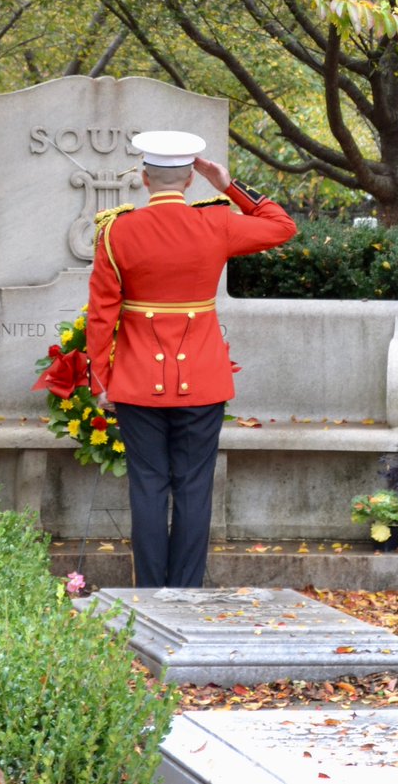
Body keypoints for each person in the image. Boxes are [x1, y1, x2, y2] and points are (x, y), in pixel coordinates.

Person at [86, 130, 296, 587]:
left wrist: (99, 380)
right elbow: (282, 225)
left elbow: (101, 315)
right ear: (189, 180)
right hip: (201, 379)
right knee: (194, 485)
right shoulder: (216, 222)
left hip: (137, 381)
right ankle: (186, 594)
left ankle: (150, 595)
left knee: (147, 485)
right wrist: (228, 184)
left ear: (145, 179)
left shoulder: (116, 231)